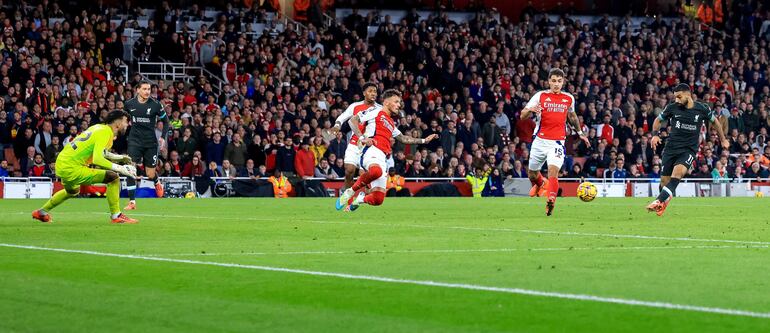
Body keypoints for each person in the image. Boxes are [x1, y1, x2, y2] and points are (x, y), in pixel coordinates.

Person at [337, 89, 438, 211]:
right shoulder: (375, 111)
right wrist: (363, 137)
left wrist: (424, 141)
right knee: (376, 172)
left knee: (378, 199)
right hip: (371, 150)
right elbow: (352, 121)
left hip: (382, 157)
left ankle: (360, 200)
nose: (399, 105)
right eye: (396, 101)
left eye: (399, 102)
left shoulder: (391, 122)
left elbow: (403, 138)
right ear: (386, 102)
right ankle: (350, 192)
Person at [32, 110, 138, 224]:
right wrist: (121, 168)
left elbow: (101, 153)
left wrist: (120, 158)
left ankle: (41, 213)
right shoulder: (106, 132)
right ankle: (116, 215)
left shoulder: (98, 128)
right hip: (72, 167)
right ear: (118, 122)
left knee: (72, 191)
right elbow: (98, 159)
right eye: (126, 122)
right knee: (113, 177)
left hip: (63, 162)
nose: (128, 125)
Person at [647, 84, 730, 216]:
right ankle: (663, 202)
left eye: (679, 97)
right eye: (675, 97)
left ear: (688, 95)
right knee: (664, 182)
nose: (677, 100)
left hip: (688, 150)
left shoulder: (702, 108)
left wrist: (723, 139)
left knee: (677, 174)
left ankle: (658, 201)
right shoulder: (672, 107)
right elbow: (658, 120)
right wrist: (655, 135)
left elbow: (715, 122)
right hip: (671, 149)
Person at [520, 68, 590, 216]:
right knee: (532, 174)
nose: (556, 84)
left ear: (563, 82)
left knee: (553, 170)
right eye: (553, 81)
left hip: (557, 142)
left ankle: (551, 199)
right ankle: (541, 183)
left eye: (559, 81)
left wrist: (580, 133)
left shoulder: (568, 98)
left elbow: (572, 116)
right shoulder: (540, 96)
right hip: (539, 141)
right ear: (549, 82)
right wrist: (531, 110)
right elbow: (522, 116)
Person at [124, 81, 169, 210]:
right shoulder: (129, 104)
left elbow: (166, 122)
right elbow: (124, 119)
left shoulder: (156, 105)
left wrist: (162, 138)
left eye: (149, 89)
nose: (147, 91)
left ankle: (156, 181)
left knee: (150, 173)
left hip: (150, 143)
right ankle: (132, 202)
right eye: (144, 89)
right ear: (137, 90)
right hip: (134, 141)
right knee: (130, 170)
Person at [331, 82, 381, 190]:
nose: (373, 94)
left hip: (370, 145)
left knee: (365, 174)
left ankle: (365, 197)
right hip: (355, 142)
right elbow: (342, 117)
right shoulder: (355, 106)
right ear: (364, 93)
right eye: (370, 91)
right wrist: (337, 125)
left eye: (375, 91)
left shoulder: (380, 109)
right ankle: (348, 194)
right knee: (349, 170)